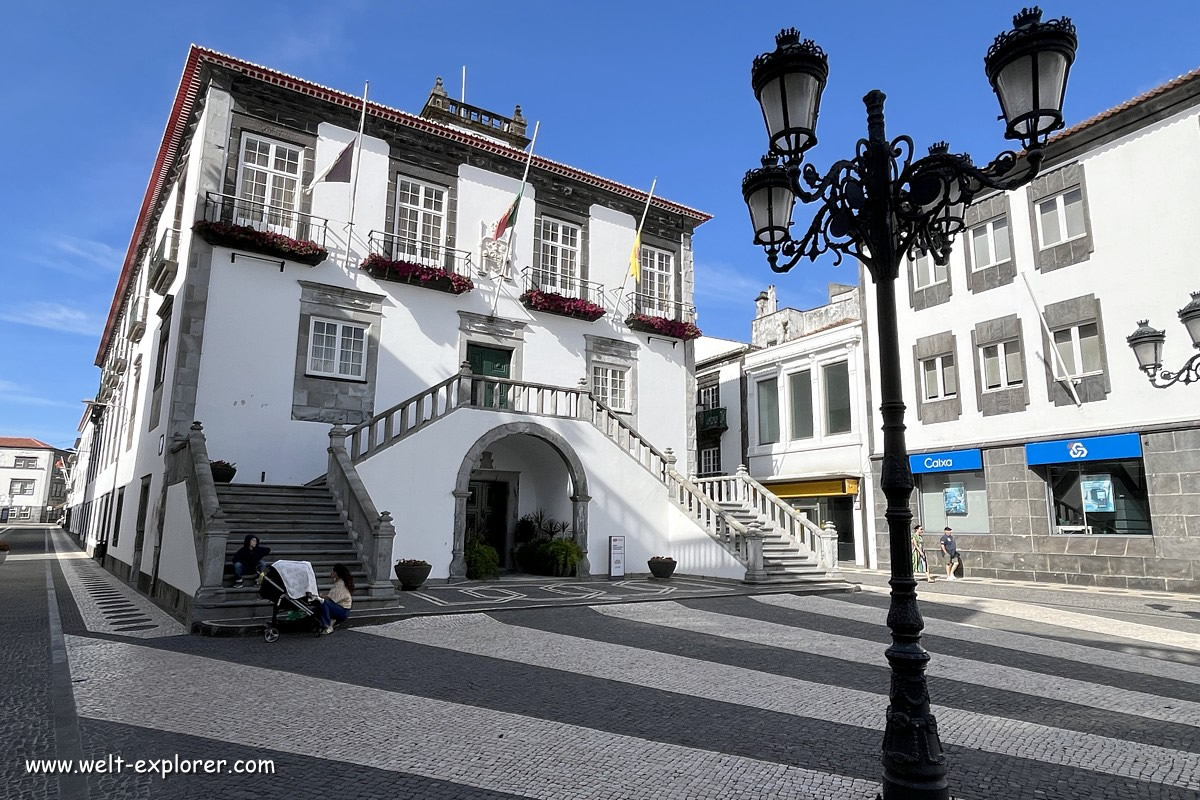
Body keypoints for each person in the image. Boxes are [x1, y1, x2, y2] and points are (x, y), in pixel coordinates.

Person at [317, 564, 355, 635]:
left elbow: (330, 598)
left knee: (323, 603)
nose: (331, 572)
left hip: (343, 611)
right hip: (341, 609)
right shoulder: (339, 582)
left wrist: (319, 596)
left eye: (333, 571)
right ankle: (330, 622)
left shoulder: (340, 584)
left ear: (336, 573)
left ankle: (327, 626)